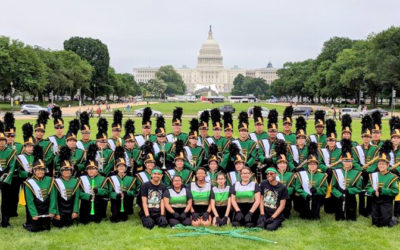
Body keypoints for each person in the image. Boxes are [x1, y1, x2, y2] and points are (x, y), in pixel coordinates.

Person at [24, 153, 56, 232]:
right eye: (37, 170)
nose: (40, 172)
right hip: (36, 208)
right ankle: (27, 224)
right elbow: (29, 201)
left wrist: (52, 211)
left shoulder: (50, 180)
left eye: (42, 169)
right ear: (33, 171)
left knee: (46, 228)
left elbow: (53, 197)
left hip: (46, 209)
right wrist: (34, 214)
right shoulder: (29, 183)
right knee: (35, 229)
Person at [354, 115, 379, 217]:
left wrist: (369, 170)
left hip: (370, 173)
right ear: (361, 137)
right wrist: (361, 169)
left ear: (371, 137)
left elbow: (376, 162)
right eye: (364, 136)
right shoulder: (355, 149)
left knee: (369, 192)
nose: (366, 138)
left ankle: (368, 210)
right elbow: (354, 162)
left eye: (368, 137)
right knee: (360, 191)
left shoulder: (376, 148)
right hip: (360, 173)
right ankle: (361, 210)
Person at [331, 140, 362, 221]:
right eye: (345, 161)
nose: (347, 163)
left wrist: (349, 191)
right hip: (339, 197)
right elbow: (333, 187)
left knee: (351, 218)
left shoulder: (356, 173)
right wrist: (339, 194)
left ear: (352, 161)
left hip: (351, 197)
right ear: (342, 161)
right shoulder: (337, 172)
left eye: (349, 161)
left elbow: (359, 188)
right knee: (339, 217)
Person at [79, 144, 109, 224]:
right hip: (86, 202)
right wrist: (88, 196)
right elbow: (79, 193)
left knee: (96, 220)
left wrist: (97, 191)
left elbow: (106, 191)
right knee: (84, 221)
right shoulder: (82, 178)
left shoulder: (102, 178)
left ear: (97, 170)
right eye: (89, 169)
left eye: (93, 169)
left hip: (97, 203)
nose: (91, 171)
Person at [366, 152, 399, 227]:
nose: (381, 166)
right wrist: (373, 191)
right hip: (375, 200)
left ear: (387, 165)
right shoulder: (373, 175)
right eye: (380, 164)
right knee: (375, 223)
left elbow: (395, 191)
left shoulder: (393, 177)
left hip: (386, 201)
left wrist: (382, 190)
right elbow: (368, 188)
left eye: (383, 164)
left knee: (385, 223)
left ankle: (393, 219)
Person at [295, 153, 328, 220]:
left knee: (315, 217)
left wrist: (316, 190)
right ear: (307, 165)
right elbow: (297, 188)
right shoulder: (301, 174)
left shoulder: (322, 175)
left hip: (316, 197)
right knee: (304, 216)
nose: (312, 166)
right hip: (305, 197)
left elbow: (324, 189)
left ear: (317, 165)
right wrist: (305, 194)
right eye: (310, 164)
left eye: (314, 164)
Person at [53, 148, 80, 228]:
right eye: (64, 170)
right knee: (59, 224)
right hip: (60, 208)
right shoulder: (56, 181)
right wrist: (56, 213)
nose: (67, 171)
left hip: (70, 208)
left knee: (69, 224)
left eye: (68, 169)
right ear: (61, 171)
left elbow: (76, 198)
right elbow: (54, 199)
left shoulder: (76, 181)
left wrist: (75, 211)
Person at [108, 147, 136, 223]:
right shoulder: (112, 178)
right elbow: (109, 192)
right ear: (116, 168)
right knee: (115, 218)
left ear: (126, 168)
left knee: (124, 218)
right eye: (119, 166)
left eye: (123, 166)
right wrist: (116, 195)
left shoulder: (131, 179)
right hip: (116, 200)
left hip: (126, 200)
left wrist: (127, 193)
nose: (121, 168)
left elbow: (134, 192)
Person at [0, 122, 16, 228]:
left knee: (6, 202)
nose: (1, 142)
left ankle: (5, 222)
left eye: (2, 140)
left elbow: (12, 167)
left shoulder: (11, 151)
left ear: (6, 141)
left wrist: (6, 179)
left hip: (5, 179)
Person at [274, 149, 296, 219]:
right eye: (280, 163)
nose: (282, 165)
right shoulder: (273, 174)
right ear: (277, 165)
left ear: (287, 165)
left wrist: (286, 191)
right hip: (275, 197)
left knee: (286, 216)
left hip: (287, 197)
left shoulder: (291, 174)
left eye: (284, 163)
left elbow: (293, 187)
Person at [389, 116, 400, 217]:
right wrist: (389, 170)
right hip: (388, 173)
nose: (395, 139)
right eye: (394, 137)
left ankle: (397, 211)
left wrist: (397, 170)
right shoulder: (387, 149)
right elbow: (382, 162)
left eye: (397, 138)